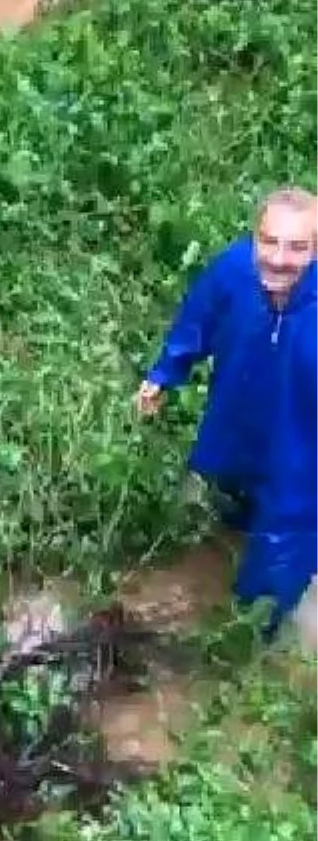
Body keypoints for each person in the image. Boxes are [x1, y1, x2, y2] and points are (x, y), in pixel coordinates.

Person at [136, 185, 318, 633]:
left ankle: (246, 648)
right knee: (227, 512)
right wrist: (165, 373)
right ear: (254, 236)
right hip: (235, 430)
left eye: (297, 247)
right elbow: (196, 321)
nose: (278, 259)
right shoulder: (234, 270)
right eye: (270, 241)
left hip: (299, 462)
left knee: (272, 574)